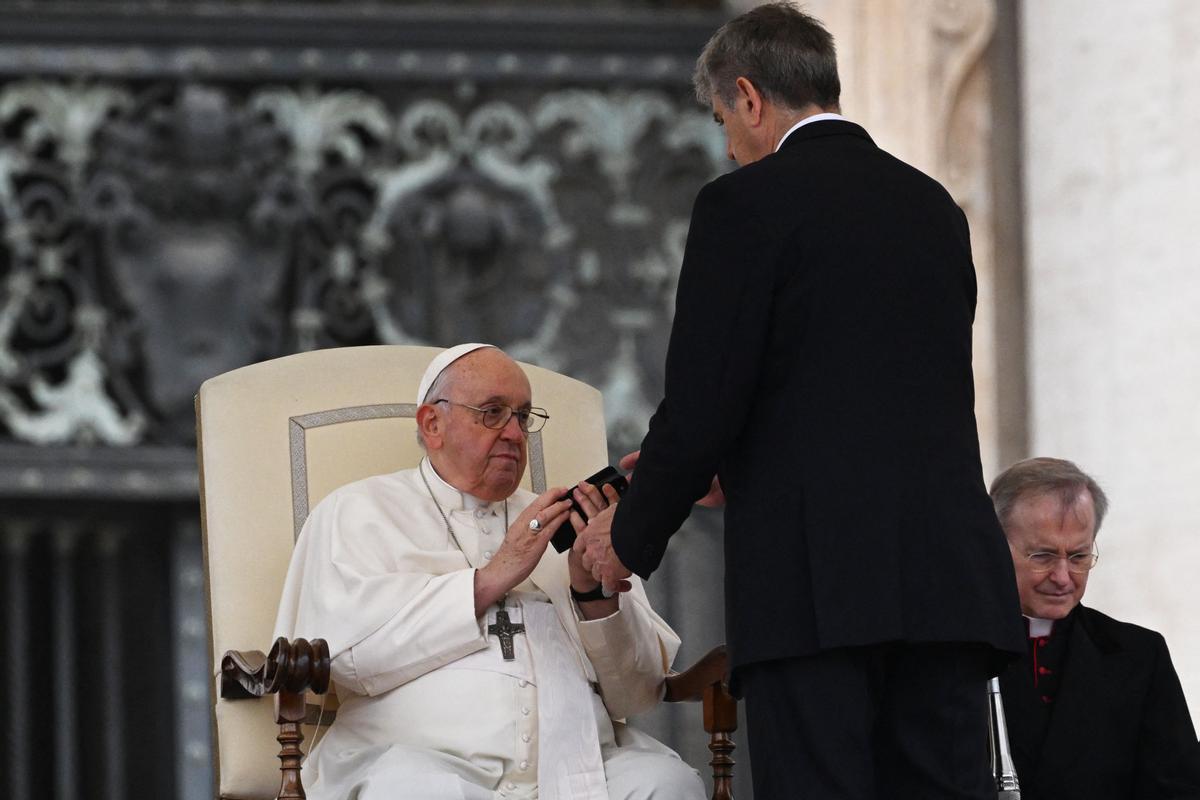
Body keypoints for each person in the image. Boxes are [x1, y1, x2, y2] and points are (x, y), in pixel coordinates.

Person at [574, 4, 1026, 799]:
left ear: (749, 97)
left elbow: (704, 405)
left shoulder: (743, 205)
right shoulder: (933, 208)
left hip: (815, 594)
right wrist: (747, 466)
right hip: (948, 590)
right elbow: (872, 389)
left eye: (722, 119)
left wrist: (632, 535)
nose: (726, 144)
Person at [274, 343, 704, 800]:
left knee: (670, 785)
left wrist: (591, 591)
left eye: (522, 416)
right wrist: (491, 578)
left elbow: (637, 696)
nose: (515, 434)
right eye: (493, 413)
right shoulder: (358, 512)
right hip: (417, 761)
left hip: (579, 767)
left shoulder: (570, 524)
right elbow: (346, 658)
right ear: (432, 424)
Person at [990, 457, 1200, 799]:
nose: (1062, 577)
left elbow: (1178, 786)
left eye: (1078, 557)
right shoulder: (955, 653)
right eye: (1042, 556)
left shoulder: (1139, 656)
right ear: (994, 546)